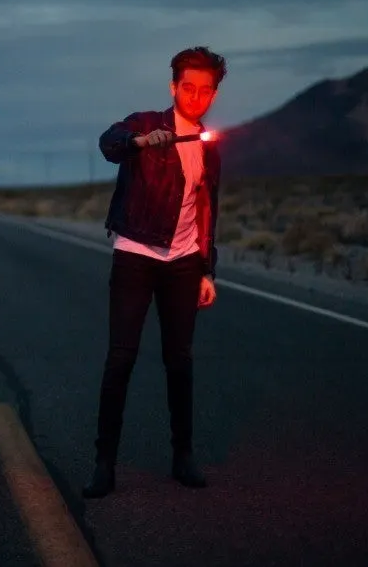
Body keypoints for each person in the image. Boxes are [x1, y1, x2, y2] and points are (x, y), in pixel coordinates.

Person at [82, 46, 226, 499]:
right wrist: (142, 142)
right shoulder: (144, 123)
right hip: (136, 255)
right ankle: (104, 465)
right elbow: (109, 144)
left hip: (183, 263)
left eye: (206, 91)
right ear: (173, 87)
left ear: (214, 94)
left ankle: (182, 457)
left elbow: (206, 211)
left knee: (179, 361)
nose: (197, 97)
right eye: (189, 88)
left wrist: (206, 270)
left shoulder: (208, 146)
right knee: (120, 359)